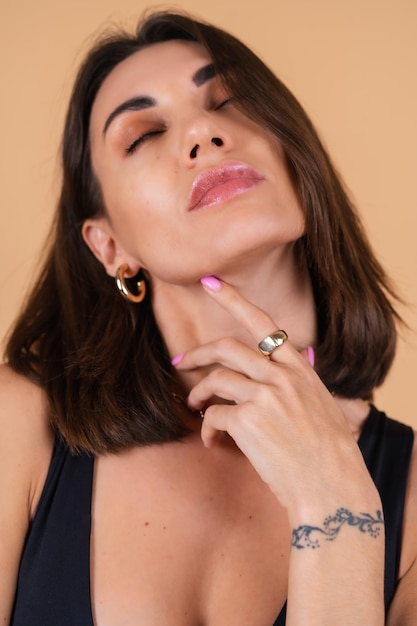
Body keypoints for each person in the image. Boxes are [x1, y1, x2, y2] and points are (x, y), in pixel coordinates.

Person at [0, 9, 415, 625]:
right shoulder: (19, 423)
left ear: (297, 156)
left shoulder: (410, 501)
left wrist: (337, 510)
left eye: (229, 102)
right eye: (142, 135)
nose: (201, 134)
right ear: (109, 246)